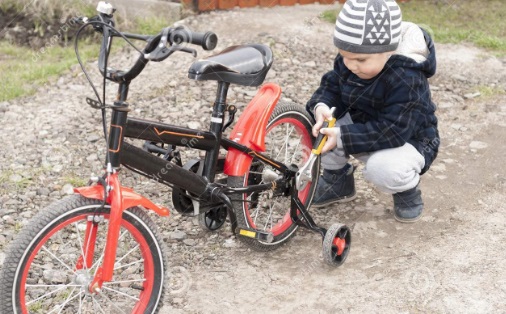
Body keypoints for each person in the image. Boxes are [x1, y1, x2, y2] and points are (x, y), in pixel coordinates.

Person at [306, 0, 439, 222]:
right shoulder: (351, 60)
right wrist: (321, 108)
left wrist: (341, 137)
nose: (350, 65)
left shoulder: (407, 77)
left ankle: (406, 191)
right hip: (363, 127)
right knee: (321, 124)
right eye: (344, 56)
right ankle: (337, 181)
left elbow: (393, 131)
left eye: (360, 59)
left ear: (388, 50)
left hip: (407, 140)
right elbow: (331, 86)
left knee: (383, 169)